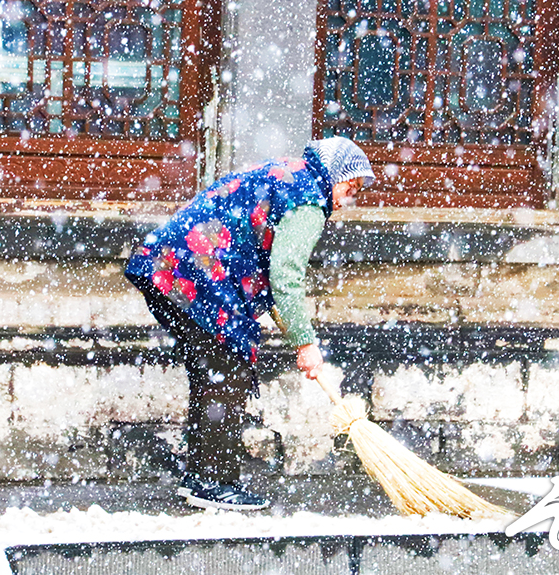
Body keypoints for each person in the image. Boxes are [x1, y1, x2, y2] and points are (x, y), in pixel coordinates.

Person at [124, 136, 375, 511]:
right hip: (199, 275)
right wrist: (306, 344)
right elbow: (286, 277)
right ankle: (211, 482)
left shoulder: (291, 175)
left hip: (171, 264)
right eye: (348, 188)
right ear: (334, 175)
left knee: (215, 369)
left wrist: (298, 337)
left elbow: (274, 279)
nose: (343, 201)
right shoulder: (309, 199)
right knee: (228, 371)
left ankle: (202, 477)